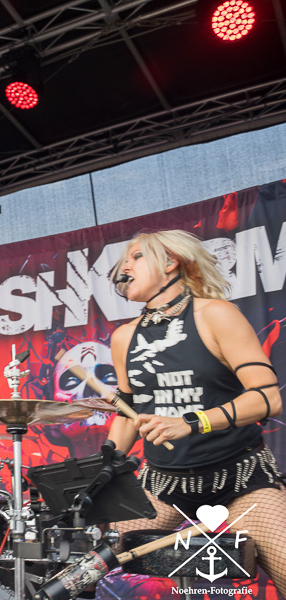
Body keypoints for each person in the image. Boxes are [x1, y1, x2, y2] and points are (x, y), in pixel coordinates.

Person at [106, 229, 286, 594]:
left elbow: (267, 399)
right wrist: (102, 467)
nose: (125, 267)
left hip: (239, 478)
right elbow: (128, 412)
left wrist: (191, 422)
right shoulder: (124, 337)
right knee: (82, 564)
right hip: (163, 484)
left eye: (136, 257)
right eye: (124, 261)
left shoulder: (215, 314)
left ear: (171, 263)